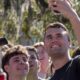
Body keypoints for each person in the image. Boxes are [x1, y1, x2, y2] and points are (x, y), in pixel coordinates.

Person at [43, 0, 80, 79]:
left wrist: (72, 15)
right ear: (45, 46)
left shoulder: (76, 64)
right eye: (49, 37)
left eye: (59, 36)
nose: (54, 40)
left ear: (69, 42)